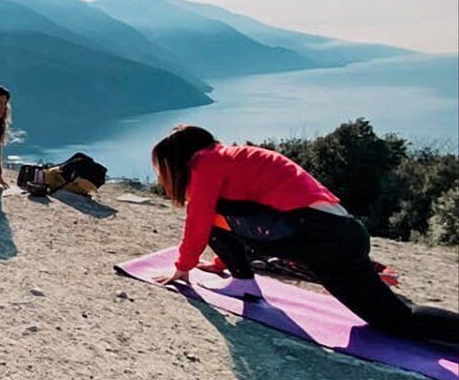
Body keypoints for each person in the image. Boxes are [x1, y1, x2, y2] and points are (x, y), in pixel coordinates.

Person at [151, 125, 458, 345]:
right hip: (338, 235)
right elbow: (240, 215)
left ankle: (244, 281)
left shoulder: (206, 161)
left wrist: (183, 268)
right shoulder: (230, 159)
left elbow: (202, 216)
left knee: (396, 321)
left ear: (180, 159)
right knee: (391, 320)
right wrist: (220, 263)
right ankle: (241, 279)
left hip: (317, 235)